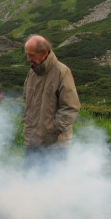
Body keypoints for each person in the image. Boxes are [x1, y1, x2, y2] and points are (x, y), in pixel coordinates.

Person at [22, 34, 81, 172]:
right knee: (29, 181)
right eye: (27, 55)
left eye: (31, 55)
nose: (28, 59)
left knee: (52, 186)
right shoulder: (32, 72)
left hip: (55, 146)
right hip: (33, 141)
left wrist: (52, 130)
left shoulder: (62, 72)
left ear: (44, 52)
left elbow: (71, 107)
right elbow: (26, 97)